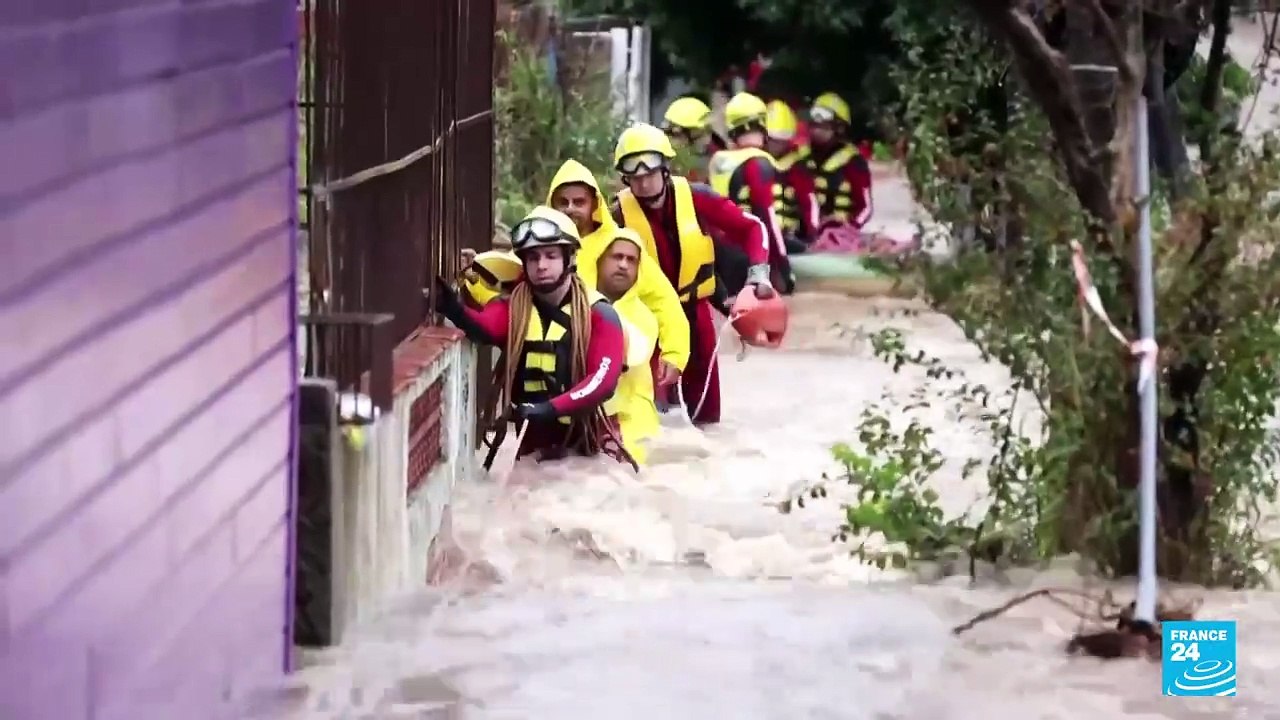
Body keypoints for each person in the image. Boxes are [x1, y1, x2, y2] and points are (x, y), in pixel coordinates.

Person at [431, 206, 635, 468]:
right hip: (533, 448)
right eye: (533, 258)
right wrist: (452, 308)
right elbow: (484, 328)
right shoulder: (514, 306)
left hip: (591, 443)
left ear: (570, 258)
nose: (541, 266)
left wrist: (549, 408)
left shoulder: (601, 315)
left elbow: (602, 381)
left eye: (550, 256)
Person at [609, 122, 776, 426]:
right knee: (651, 418)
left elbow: (752, 227)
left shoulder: (698, 198)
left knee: (707, 419)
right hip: (647, 321)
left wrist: (758, 274)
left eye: (650, 173)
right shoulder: (617, 214)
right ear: (626, 178)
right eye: (636, 177)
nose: (644, 183)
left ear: (665, 169)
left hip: (696, 315)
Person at [546, 158, 690, 388]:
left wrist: (675, 354)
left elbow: (663, 300)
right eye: (563, 202)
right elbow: (505, 281)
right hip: (555, 362)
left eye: (579, 202)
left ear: (594, 204)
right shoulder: (537, 243)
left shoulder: (619, 244)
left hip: (618, 369)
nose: (570, 208)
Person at [708, 91, 793, 293]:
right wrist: (783, 268)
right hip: (750, 257)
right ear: (762, 126)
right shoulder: (758, 164)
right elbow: (766, 218)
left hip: (720, 255)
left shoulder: (719, 161)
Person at [593, 228, 661, 464]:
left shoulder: (644, 318)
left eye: (631, 260)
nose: (623, 265)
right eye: (616, 257)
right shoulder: (576, 302)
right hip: (586, 415)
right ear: (600, 260)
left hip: (632, 422)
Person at [803, 92, 873, 229]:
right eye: (814, 124)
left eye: (823, 125)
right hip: (806, 235)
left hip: (841, 235)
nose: (816, 130)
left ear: (839, 127)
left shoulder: (853, 162)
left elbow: (865, 208)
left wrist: (850, 227)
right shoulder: (801, 156)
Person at [765, 99, 818, 247]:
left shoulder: (797, 167)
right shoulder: (755, 161)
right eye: (773, 140)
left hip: (789, 236)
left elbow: (809, 202)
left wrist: (812, 234)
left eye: (781, 140)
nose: (776, 145)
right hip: (761, 234)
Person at [661, 95, 725, 182]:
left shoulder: (717, 157)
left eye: (677, 134)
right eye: (670, 133)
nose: (671, 140)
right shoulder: (665, 158)